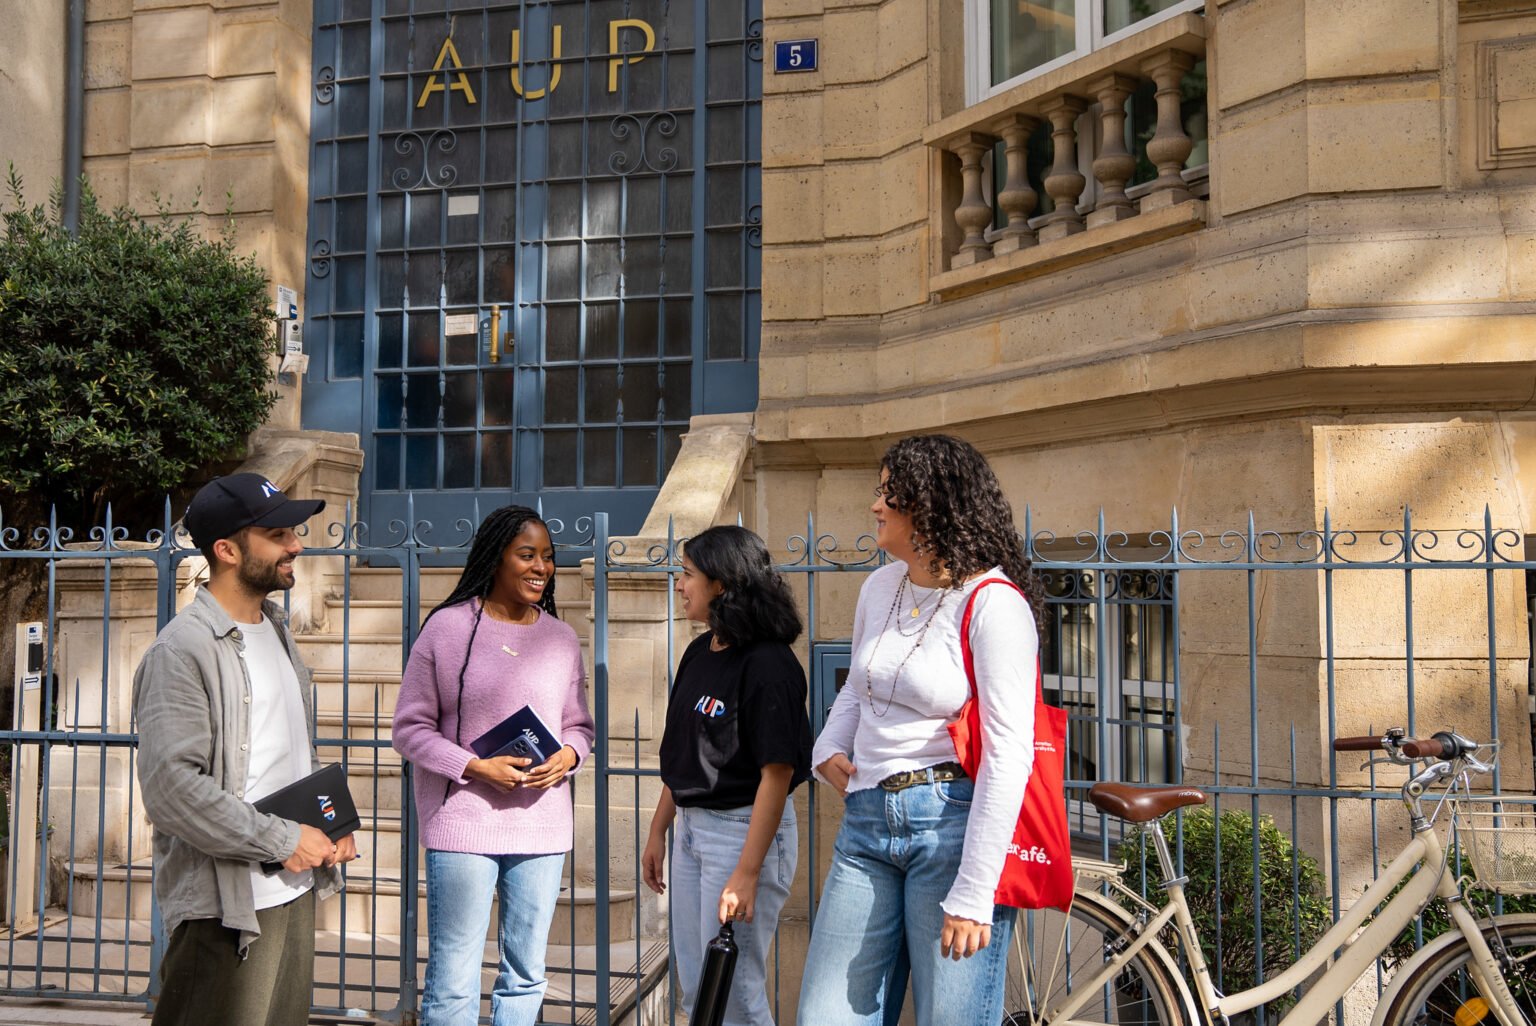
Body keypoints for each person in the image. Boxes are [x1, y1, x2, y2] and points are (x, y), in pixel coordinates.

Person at [796, 434, 1045, 1026]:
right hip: (864, 825)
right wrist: (827, 745)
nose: (875, 506)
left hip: (950, 826)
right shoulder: (879, 587)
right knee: (825, 1018)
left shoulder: (993, 603)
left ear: (930, 504)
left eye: (889, 493)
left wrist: (975, 889)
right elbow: (858, 686)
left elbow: (1010, 754)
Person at [132, 472, 355, 1026]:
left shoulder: (275, 628)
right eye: (278, 534)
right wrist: (282, 839)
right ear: (227, 550)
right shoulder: (181, 651)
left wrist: (329, 822)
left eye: (294, 531)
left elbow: (282, 755)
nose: (297, 545)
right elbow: (173, 792)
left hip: (291, 891)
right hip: (226, 907)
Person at [392, 505, 595, 1026]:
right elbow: (410, 729)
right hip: (464, 823)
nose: (540, 568)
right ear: (495, 557)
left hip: (543, 826)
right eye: (526, 555)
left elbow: (580, 726)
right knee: (453, 977)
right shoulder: (447, 628)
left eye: (548, 558)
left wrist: (569, 756)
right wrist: (474, 767)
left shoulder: (562, 638)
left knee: (525, 973)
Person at [640, 525, 812, 1026]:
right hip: (693, 832)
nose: (678, 583)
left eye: (687, 573)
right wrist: (658, 829)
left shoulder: (770, 665)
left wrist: (747, 872)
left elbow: (776, 774)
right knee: (698, 990)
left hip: (742, 835)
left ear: (721, 582)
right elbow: (686, 755)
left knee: (732, 994)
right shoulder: (698, 652)